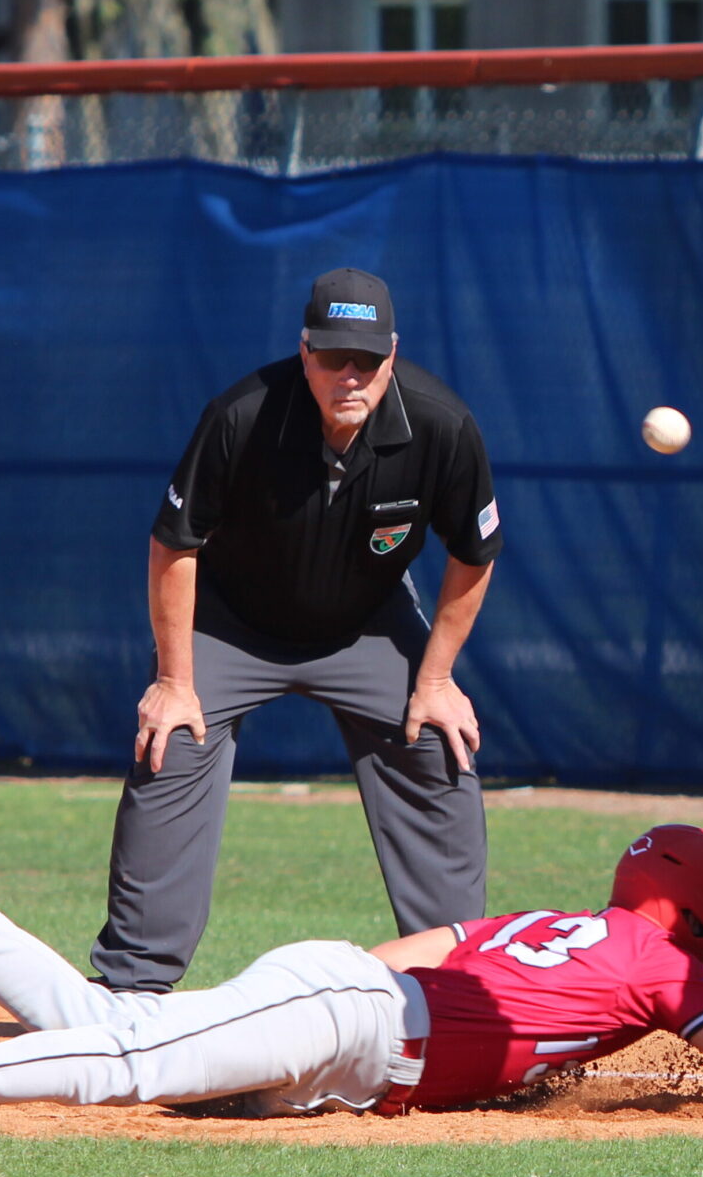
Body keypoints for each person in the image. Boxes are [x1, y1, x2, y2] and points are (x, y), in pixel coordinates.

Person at [0, 824, 703, 1121]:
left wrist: (288, 1017)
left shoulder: (556, 926)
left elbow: (409, 950)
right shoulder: (661, 968)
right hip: (353, 1023)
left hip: (348, 1011)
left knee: (111, 1022)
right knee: (129, 1058)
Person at [95, 268, 502, 994]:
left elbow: (474, 556)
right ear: (304, 349)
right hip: (232, 621)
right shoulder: (244, 416)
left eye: (368, 359)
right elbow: (175, 545)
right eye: (334, 356)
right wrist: (173, 680)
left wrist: (436, 681)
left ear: (393, 354)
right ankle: (131, 993)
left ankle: (455, 986)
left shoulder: (441, 425)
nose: (351, 374)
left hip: (366, 626)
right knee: (170, 740)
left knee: (440, 740)